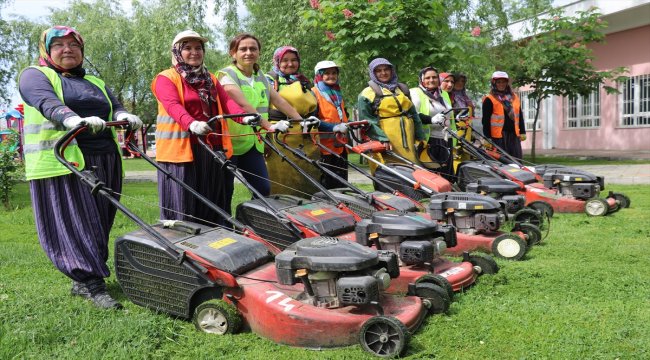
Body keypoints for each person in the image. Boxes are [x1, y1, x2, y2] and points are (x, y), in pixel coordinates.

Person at [19, 25, 143, 309]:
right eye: (59, 45)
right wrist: (71, 118)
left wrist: (125, 115)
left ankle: (86, 278)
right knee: (76, 223)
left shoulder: (96, 82)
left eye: (73, 45)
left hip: (105, 158)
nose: (67, 50)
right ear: (47, 51)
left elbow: (114, 105)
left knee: (99, 222)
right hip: (63, 161)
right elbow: (45, 101)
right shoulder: (35, 75)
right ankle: (91, 284)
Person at [152, 30, 253, 227]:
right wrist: (191, 123)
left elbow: (227, 102)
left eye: (198, 48)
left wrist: (244, 117)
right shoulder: (165, 78)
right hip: (181, 155)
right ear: (177, 52)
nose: (194, 52)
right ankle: (184, 249)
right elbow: (173, 106)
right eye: (187, 48)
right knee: (184, 208)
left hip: (212, 149)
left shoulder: (210, 79)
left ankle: (217, 246)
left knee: (215, 206)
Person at [217, 34, 298, 210]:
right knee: (225, 190)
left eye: (253, 49)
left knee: (262, 188)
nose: (248, 52)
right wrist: (269, 126)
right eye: (243, 49)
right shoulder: (226, 75)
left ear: (259, 53)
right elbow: (243, 105)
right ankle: (224, 227)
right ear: (233, 53)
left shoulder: (260, 76)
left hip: (253, 143)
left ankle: (256, 223)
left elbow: (280, 101)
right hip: (231, 144)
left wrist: (301, 120)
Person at [357, 57, 425, 170]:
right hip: (386, 141)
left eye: (386, 69)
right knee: (389, 172)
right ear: (373, 73)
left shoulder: (402, 89)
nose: (383, 73)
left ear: (391, 70)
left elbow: (414, 115)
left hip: (408, 141)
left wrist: (421, 137)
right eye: (378, 71)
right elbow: (367, 120)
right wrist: (382, 138)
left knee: (412, 170)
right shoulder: (367, 93)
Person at [410, 66, 454, 178]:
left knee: (446, 174)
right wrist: (431, 120)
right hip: (429, 141)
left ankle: (447, 194)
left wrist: (454, 134)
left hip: (446, 139)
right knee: (433, 175)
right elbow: (412, 115)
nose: (431, 80)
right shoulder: (416, 92)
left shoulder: (443, 93)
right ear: (421, 80)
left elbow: (449, 114)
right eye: (427, 78)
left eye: (434, 77)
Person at [311, 60, 349, 189]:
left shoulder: (337, 93)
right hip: (324, 148)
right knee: (328, 184)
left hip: (341, 146)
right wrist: (333, 127)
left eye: (334, 73)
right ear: (319, 75)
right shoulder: (313, 93)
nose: (331, 76)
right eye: (326, 73)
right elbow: (313, 120)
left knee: (342, 184)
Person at [482, 71, 526, 159]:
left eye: (504, 82)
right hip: (498, 137)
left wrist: (522, 132)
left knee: (516, 161)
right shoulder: (489, 99)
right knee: (501, 163)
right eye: (499, 82)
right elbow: (485, 120)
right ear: (494, 83)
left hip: (514, 135)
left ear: (507, 83)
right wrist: (487, 138)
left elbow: (519, 115)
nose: (501, 84)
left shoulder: (514, 97)